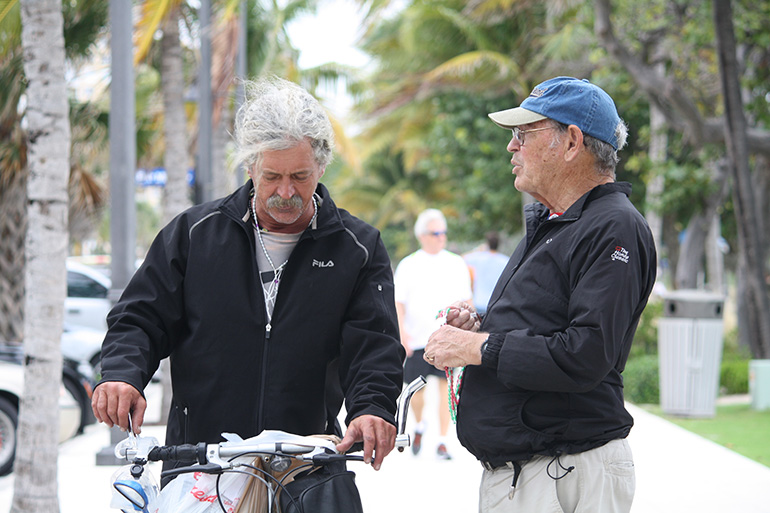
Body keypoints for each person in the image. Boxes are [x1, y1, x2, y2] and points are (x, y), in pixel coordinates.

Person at [91, 76, 405, 474]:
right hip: (200, 463)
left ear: (322, 166)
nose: (286, 192)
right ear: (250, 164)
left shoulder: (356, 247)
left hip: (304, 463)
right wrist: (121, 375)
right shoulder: (193, 234)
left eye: (301, 176)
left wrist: (373, 407)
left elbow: (374, 342)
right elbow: (140, 318)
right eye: (272, 176)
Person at [424, 76, 657, 512]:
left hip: (565, 476)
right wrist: (479, 326)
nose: (512, 147)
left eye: (523, 134)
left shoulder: (613, 227)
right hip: (534, 475)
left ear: (571, 142)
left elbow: (585, 353)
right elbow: (541, 326)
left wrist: (479, 346)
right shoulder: (556, 223)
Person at [393, 208, 472, 460]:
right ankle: (418, 426)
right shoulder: (408, 264)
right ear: (422, 235)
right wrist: (402, 335)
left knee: (445, 387)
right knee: (416, 389)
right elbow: (398, 303)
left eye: (443, 232)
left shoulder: (456, 263)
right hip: (418, 338)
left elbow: (467, 300)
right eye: (436, 233)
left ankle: (441, 441)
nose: (441, 237)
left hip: (447, 337)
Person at [463, 232, 509, 315]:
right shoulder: (505, 261)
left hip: (480, 302)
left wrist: (478, 249)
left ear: (487, 244)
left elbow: (461, 258)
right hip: (497, 302)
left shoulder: (479, 258)